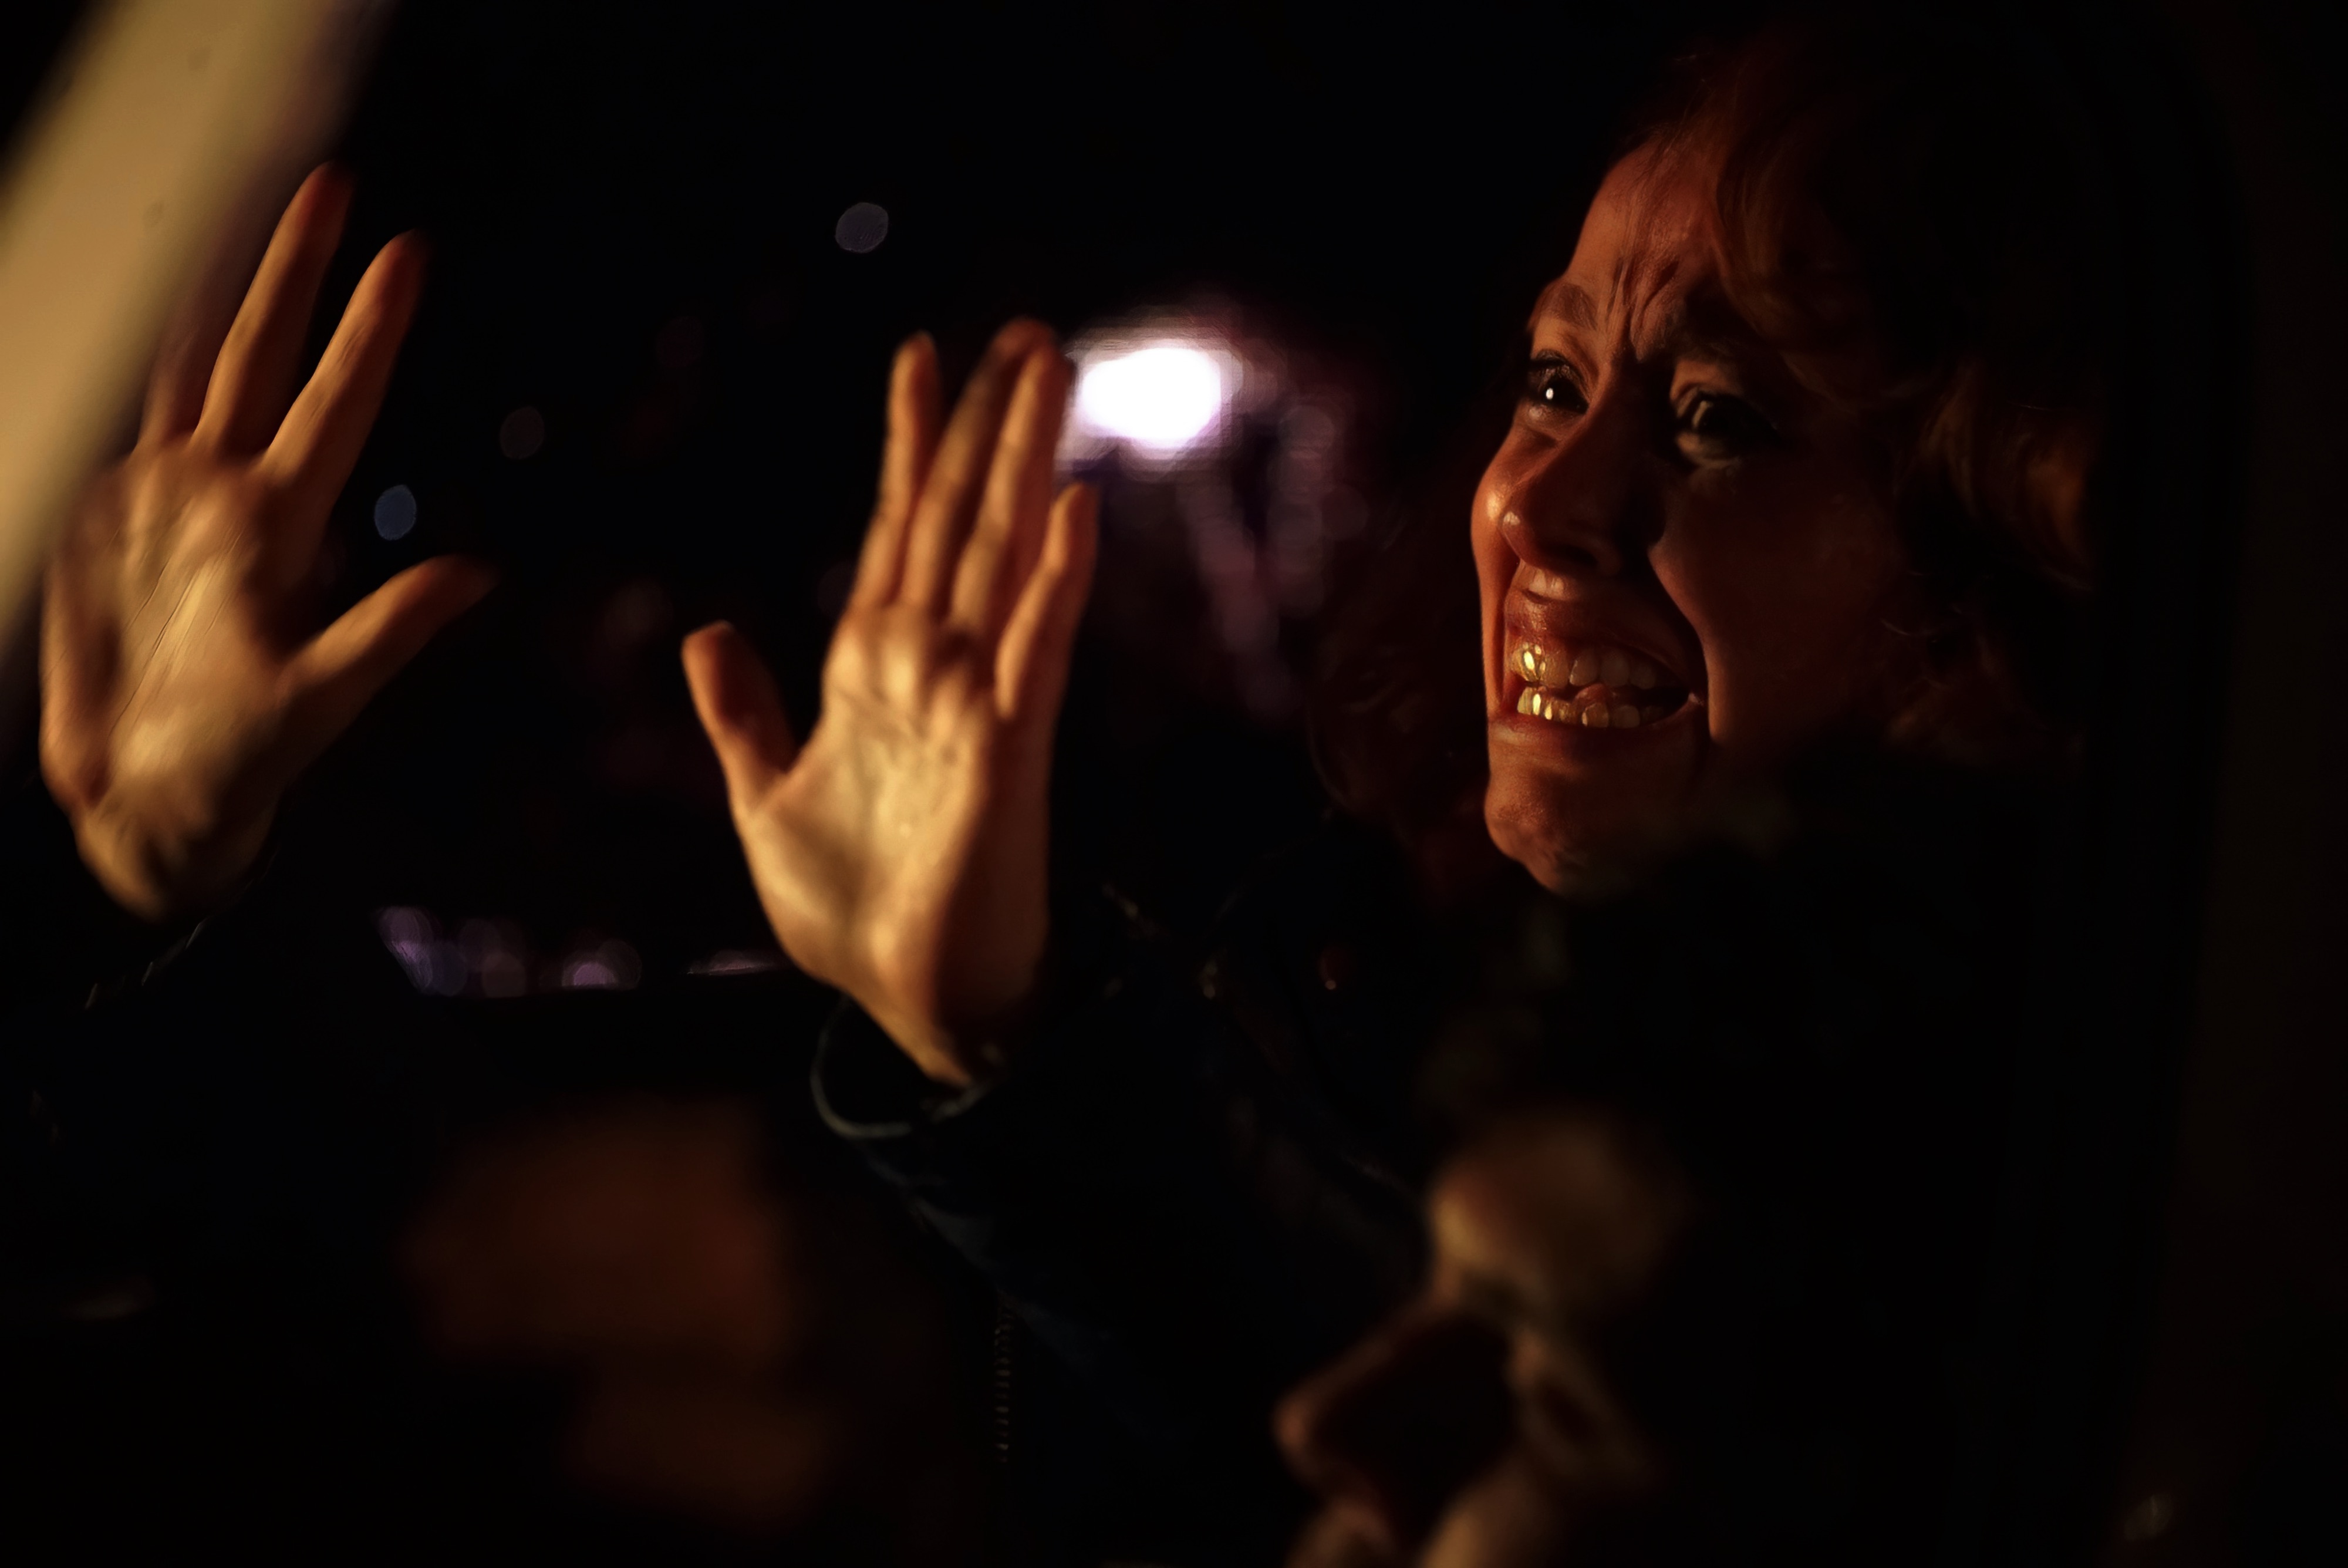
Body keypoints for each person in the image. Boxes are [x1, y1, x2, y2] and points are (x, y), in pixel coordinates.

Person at [680, 6, 2103, 1560]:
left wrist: (1027, 1054)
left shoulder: (2038, 1148)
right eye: (1553, 385)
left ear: (1998, 562)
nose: (1541, 501)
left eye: (1715, 418)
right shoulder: (1350, 973)